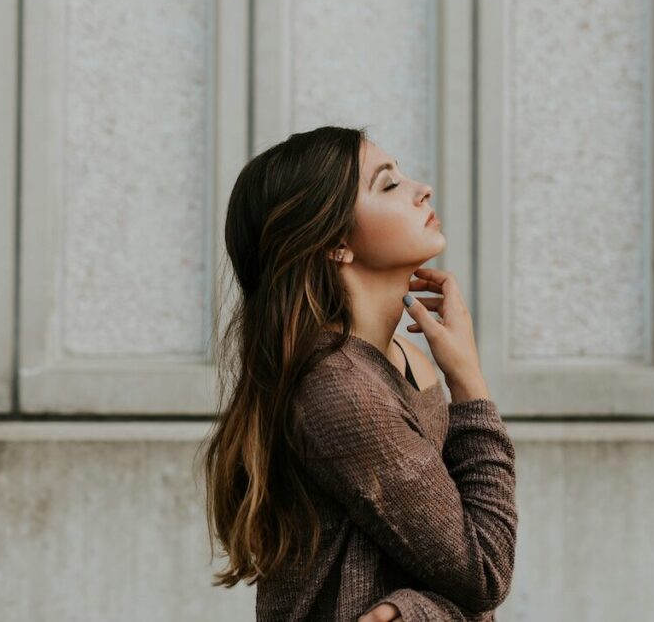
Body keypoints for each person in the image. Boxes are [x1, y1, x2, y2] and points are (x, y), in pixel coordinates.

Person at [197, 126, 518, 621]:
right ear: (334, 242)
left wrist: (417, 609)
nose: (421, 189)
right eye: (388, 185)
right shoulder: (341, 391)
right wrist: (471, 386)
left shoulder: (408, 360)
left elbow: (454, 568)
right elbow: (486, 570)